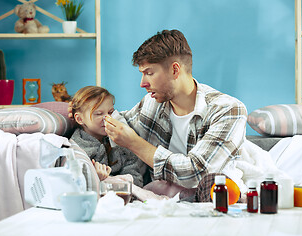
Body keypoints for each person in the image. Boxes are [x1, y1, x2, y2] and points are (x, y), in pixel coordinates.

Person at [103, 29, 248, 190]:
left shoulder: (228, 110)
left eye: (149, 73)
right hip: (161, 199)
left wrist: (134, 143)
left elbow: (196, 173)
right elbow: (114, 124)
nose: (142, 83)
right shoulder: (152, 103)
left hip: (213, 199)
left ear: (175, 70)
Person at [70, 86, 143, 187]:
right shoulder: (76, 149)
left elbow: (137, 179)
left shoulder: (121, 140)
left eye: (110, 112)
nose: (107, 118)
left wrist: (113, 180)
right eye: (99, 114)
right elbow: (74, 184)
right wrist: (95, 178)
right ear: (80, 119)